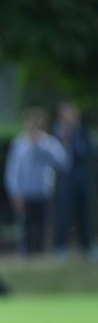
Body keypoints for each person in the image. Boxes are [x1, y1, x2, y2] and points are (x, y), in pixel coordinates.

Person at [4, 107, 67, 256]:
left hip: (43, 192)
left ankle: (41, 254)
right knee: (25, 228)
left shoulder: (49, 143)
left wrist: (42, 146)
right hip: (25, 193)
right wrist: (15, 192)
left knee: (42, 227)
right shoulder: (19, 143)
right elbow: (12, 171)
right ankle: (25, 255)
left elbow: (63, 162)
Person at [52, 102, 94, 256]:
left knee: (85, 213)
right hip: (65, 180)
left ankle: (87, 245)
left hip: (82, 179)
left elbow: (91, 151)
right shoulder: (57, 132)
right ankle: (61, 247)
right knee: (64, 214)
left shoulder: (83, 132)